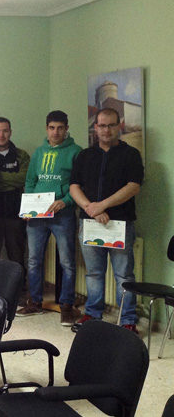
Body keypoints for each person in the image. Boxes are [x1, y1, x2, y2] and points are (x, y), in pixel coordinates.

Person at [70, 108, 143, 334]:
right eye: (101, 125)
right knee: (93, 273)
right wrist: (90, 208)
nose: (106, 130)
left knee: (124, 275)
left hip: (119, 224)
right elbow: (74, 187)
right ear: (96, 128)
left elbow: (133, 186)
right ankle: (92, 314)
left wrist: (103, 205)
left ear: (119, 126)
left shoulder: (131, 154)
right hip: (90, 223)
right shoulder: (85, 155)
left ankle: (127, 319)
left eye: (111, 125)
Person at [17, 110, 82, 326]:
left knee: (67, 262)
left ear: (66, 128)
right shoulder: (38, 153)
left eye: (60, 128)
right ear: (46, 129)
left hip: (63, 215)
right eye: (52, 128)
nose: (56, 132)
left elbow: (79, 185)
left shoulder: (75, 152)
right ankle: (35, 302)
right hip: (37, 217)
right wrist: (28, 207)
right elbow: (30, 182)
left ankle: (67, 306)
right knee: (34, 260)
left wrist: (66, 201)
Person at [0, 117, 30, 287]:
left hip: (15, 212)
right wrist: (6, 182)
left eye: (5, 130)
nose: (1, 135)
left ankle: (19, 290)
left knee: (17, 255)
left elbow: (24, 178)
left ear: (10, 132)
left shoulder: (21, 155)